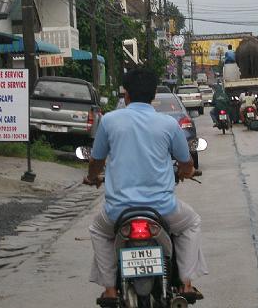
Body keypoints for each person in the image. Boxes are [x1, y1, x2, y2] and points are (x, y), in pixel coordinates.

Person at [84, 68, 207, 305]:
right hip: (163, 210)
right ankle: (186, 284)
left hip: (118, 212)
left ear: (125, 94)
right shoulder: (169, 124)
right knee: (191, 223)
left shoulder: (109, 121)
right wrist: (187, 172)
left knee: (98, 231)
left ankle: (109, 290)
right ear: (153, 96)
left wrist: (92, 177)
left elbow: (96, 161)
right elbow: (185, 162)